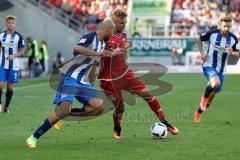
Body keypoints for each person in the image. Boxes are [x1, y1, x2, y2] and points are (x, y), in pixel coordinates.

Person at [26, 19, 115, 148]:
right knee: (63, 110)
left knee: (99, 108)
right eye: (112, 31)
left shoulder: (103, 44)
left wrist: (91, 81)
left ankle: (66, 114)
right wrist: (97, 53)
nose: (113, 34)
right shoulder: (90, 37)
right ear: (107, 29)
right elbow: (77, 48)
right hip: (70, 77)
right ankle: (33, 137)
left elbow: (94, 64)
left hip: (83, 81)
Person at [97, 9, 179, 138]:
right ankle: (117, 126)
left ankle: (166, 124)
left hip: (125, 74)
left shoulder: (123, 35)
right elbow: (97, 54)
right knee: (121, 108)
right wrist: (109, 53)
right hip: (109, 80)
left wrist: (122, 52)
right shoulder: (104, 37)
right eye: (120, 23)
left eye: (125, 22)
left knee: (148, 95)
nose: (123, 25)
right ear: (113, 23)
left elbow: (122, 51)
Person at [194, 16, 240, 123]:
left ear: (231, 26)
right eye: (224, 26)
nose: (226, 29)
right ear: (221, 25)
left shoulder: (233, 39)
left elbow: (237, 52)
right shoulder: (212, 33)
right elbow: (199, 39)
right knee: (215, 82)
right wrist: (202, 53)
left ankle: (198, 112)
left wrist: (232, 52)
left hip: (221, 70)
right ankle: (203, 99)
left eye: (228, 27)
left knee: (213, 94)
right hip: (209, 65)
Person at [0, 15, 25, 113]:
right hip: (2, 63)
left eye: (12, 23)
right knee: (0, 84)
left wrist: (15, 55)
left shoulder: (18, 37)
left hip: (13, 65)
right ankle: (0, 103)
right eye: (9, 22)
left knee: (10, 86)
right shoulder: (1, 35)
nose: (10, 24)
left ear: (15, 24)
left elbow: (22, 49)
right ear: (6, 24)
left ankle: (6, 106)